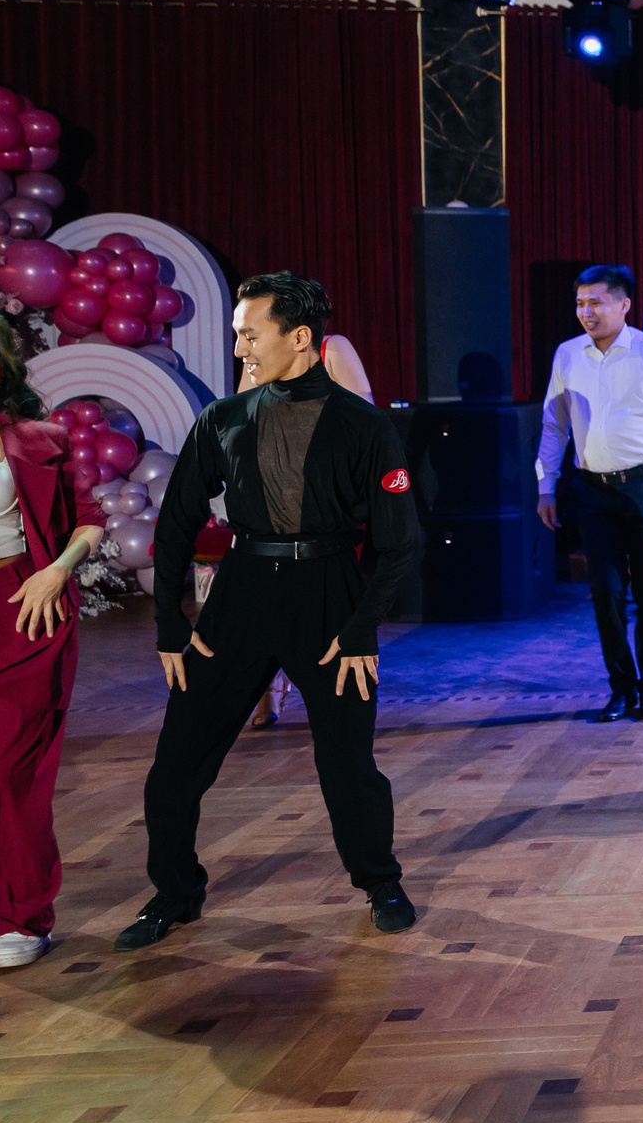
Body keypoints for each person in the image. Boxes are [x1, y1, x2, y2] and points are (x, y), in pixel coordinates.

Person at [119, 273, 423, 950]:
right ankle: (174, 893)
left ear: (300, 337)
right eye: (238, 335)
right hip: (240, 596)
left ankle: (380, 882)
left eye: (249, 335)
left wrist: (361, 627)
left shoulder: (365, 426)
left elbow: (400, 543)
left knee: (347, 766)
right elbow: (176, 522)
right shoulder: (223, 418)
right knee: (175, 766)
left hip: (329, 598)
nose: (239, 349)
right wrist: (170, 621)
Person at [0, 309, 105, 969]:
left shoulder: (39, 438)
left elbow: (88, 519)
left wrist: (57, 570)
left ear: (2, 363)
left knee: (11, 771)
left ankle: (21, 916)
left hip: (23, 609)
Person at [536, 264, 643, 725]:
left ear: (624, 304)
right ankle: (621, 687)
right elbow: (554, 424)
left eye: (596, 302)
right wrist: (546, 485)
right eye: (579, 303)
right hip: (592, 490)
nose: (586, 312)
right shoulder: (568, 354)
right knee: (605, 594)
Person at [246, 330, 376, 730]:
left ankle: (338, 695)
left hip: (325, 501)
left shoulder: (331, 347)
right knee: (269, 597)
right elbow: (242, 418)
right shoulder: (255, 350)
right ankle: (272, 685)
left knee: (324, 603)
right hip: (273, 494)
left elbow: (365, 421)